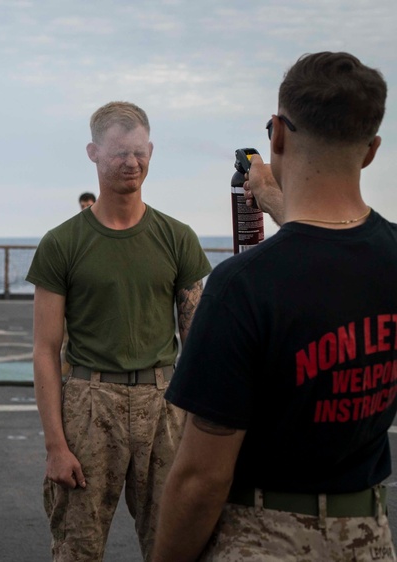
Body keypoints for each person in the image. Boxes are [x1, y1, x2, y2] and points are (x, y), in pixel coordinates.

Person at [154, 52, 395, 562]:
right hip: (369, 537)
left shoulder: (241, 286)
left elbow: (201, 479)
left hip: (262, 539)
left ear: (278, 136)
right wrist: (271, 198)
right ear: (371, 150)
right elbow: (333, 250)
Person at [27, 101, 211, 561]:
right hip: (90, 407)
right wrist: (55, 446)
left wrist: (202, 432)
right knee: (77, 549)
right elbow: (46, 350)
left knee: (176, 546)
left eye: (139, 151)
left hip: (164, 403)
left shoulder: (177, 237)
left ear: (151, 150)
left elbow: (201, 345)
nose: (131, 163)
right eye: (118, 152)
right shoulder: (62, 243)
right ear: (93, 153)